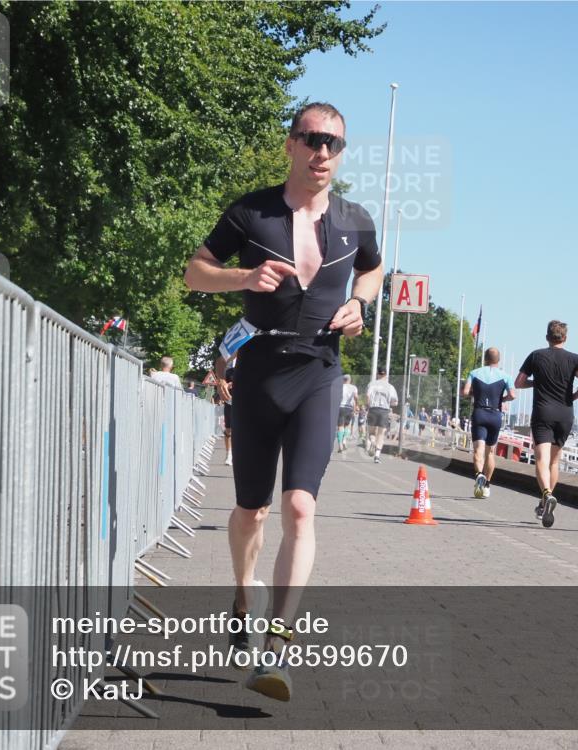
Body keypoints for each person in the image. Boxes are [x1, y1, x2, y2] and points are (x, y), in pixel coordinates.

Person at [184, 102, 382, 701]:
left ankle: (278, 647)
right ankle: (243, 591)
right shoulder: (252, 212)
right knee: (252, 511)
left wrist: (361, 305)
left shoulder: (355, 220)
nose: (324, 153)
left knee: (299, 508)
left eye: (335, 144)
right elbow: (195, 272)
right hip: (260, 372)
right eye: (313, 140)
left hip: (320, 370)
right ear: (291, 144)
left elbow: (373, 274)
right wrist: (243, 279)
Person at [515, 321, 578, 528]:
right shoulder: (575, 359)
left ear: (547, 337)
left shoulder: (536, 356)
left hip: (543, 413)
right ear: (565, 338)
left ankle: (546, 494)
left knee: (541, 459)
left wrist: (536, 382)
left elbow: (518, 382)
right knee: (554, 462)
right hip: (565, 414)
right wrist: (573, 396)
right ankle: (544, 503)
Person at [462, 348, 516, 499]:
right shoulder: (506, 376)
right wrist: (502, 400)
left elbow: (465, 392)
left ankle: (479, 474)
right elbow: (513, 395)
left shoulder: (474, 373)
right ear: (498, 360)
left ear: (485, 358)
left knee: (478, 450)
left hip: (479, 413)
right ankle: (487, 485)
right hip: (495, 414)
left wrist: (476, 394)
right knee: (490, 452)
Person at [365, 368, 398, 463]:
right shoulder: (390, 387)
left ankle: (372, 442)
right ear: (386, 375)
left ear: (377, 374)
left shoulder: (372, 384)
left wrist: (368, 406)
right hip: (384, 410)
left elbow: (367, 395)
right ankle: (377, 456)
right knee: (381, 434)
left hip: (373, 409)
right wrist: (389, 402)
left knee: (371, 432)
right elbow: (395, 402)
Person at [215, 354, 237, 466]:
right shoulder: (228, 368)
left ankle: (239, 454)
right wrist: (226, 385)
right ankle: (229, 455)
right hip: (230, 402)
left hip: (245, 403)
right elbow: (221, 385)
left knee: (242, 430)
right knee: (229, 430)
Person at [337, 374, 359, 452]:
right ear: (350, 380)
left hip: (340, 407)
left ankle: (340, 444)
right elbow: (356, 397)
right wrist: (356, 405)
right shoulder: (354, 387)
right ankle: (344, 440)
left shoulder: (339, 387)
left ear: (343, 380)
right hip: (349, 408)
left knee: (340, 426)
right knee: (347, 426)